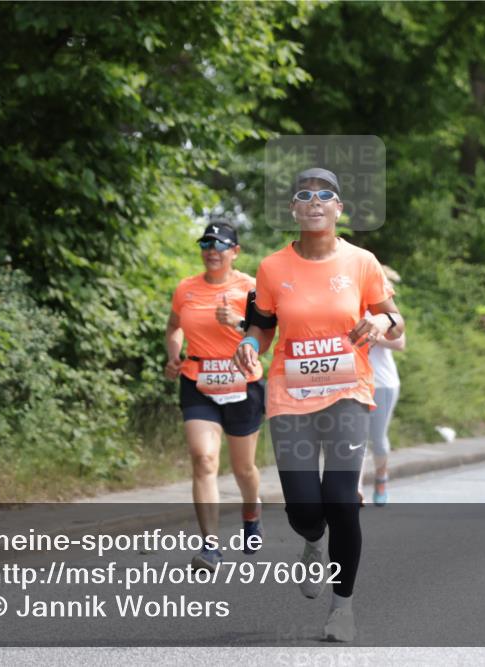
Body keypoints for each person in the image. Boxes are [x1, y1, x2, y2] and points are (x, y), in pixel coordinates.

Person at [233, 167, 404, 642]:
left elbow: (395, 319)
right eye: (304, 196)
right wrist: (250, 343)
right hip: (290, 395)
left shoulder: (362, 261)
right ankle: (312, 540)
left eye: (324, 195)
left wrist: (381, 325)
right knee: (304, 509)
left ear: (338, 208)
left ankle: (342, 609)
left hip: (348, 390)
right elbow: (261, 325)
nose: (314, 202)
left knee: (342, 502)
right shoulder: (271, 268)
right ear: (293, 209)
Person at [165, 221, 271, 570]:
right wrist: (173, 355)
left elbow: (267, 336)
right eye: (206, 243)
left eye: (220, 244)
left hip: (243, 382)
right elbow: (174, 326)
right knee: (203, 458)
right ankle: (210, 545)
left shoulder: (253, 287)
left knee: (243, 468)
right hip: (198, 379)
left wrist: (238, 324)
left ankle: (251, 513)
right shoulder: (186, 288)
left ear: (235, 252)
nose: (212, 250)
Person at [366, 265, 405, 506]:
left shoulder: (382, 308)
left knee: (377, 439)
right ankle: (354, 492)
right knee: (354, 439)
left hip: (382, 383)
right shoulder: (345, 304)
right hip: (354, 381)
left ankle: (381, 477)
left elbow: (400, 343)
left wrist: (374, 336)